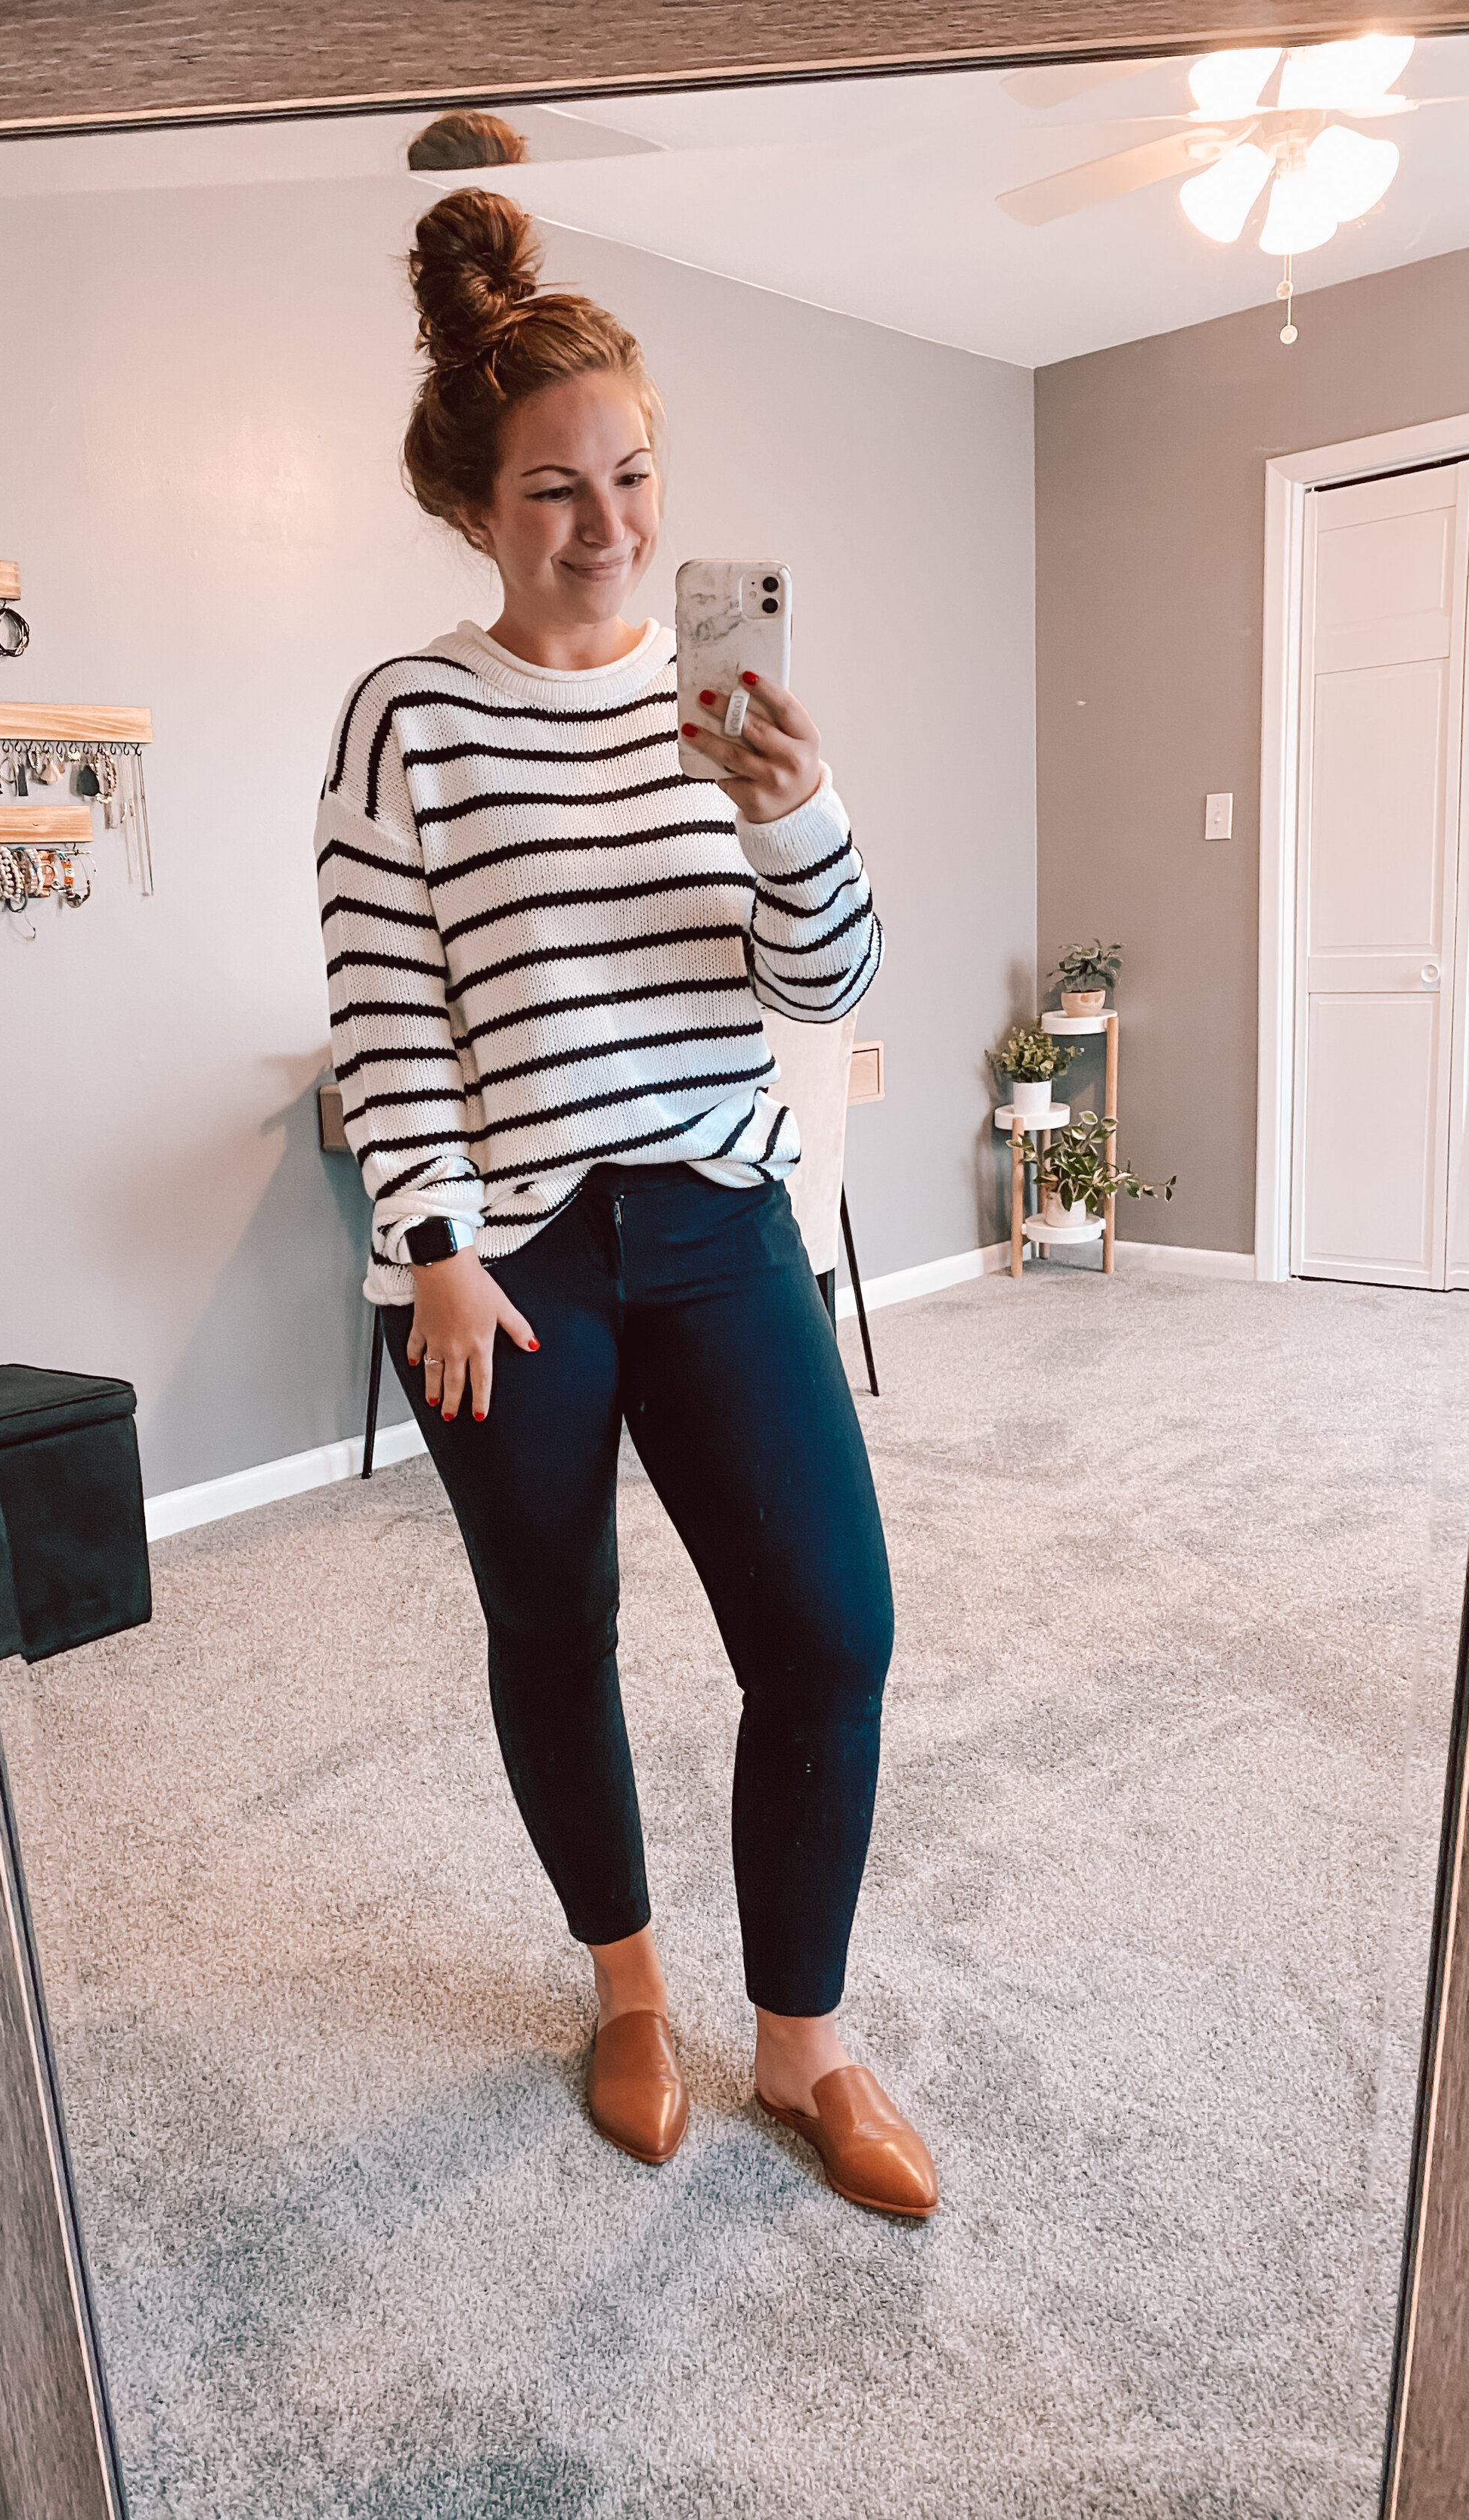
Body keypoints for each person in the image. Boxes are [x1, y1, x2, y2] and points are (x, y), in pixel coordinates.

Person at [315, 188, 935, 2219]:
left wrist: (797, 816)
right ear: (470, 507)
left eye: (636, 475)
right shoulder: (407, 717)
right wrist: (433, 1247)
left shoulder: (725, 706)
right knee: (554, 1626)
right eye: (555, 489)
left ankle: (803, 2043)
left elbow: (827, 987)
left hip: (715, 1221)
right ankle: (628, 1988)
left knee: (830, 1632)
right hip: (505, 1262)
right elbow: (386, 1005)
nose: (610, 527)